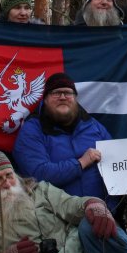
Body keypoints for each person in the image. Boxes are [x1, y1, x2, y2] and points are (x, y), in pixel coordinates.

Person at [13, 73, 115, 208]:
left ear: (75, 99)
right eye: (56, 93)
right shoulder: (31, 130)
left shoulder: (94, 126)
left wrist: (111, 209)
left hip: (102, 212)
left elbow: (116, 164)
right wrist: (80, 163)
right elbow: (37, 175)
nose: (62, 97)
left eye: (68, 93)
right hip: (55, 219)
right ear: (46, 99)